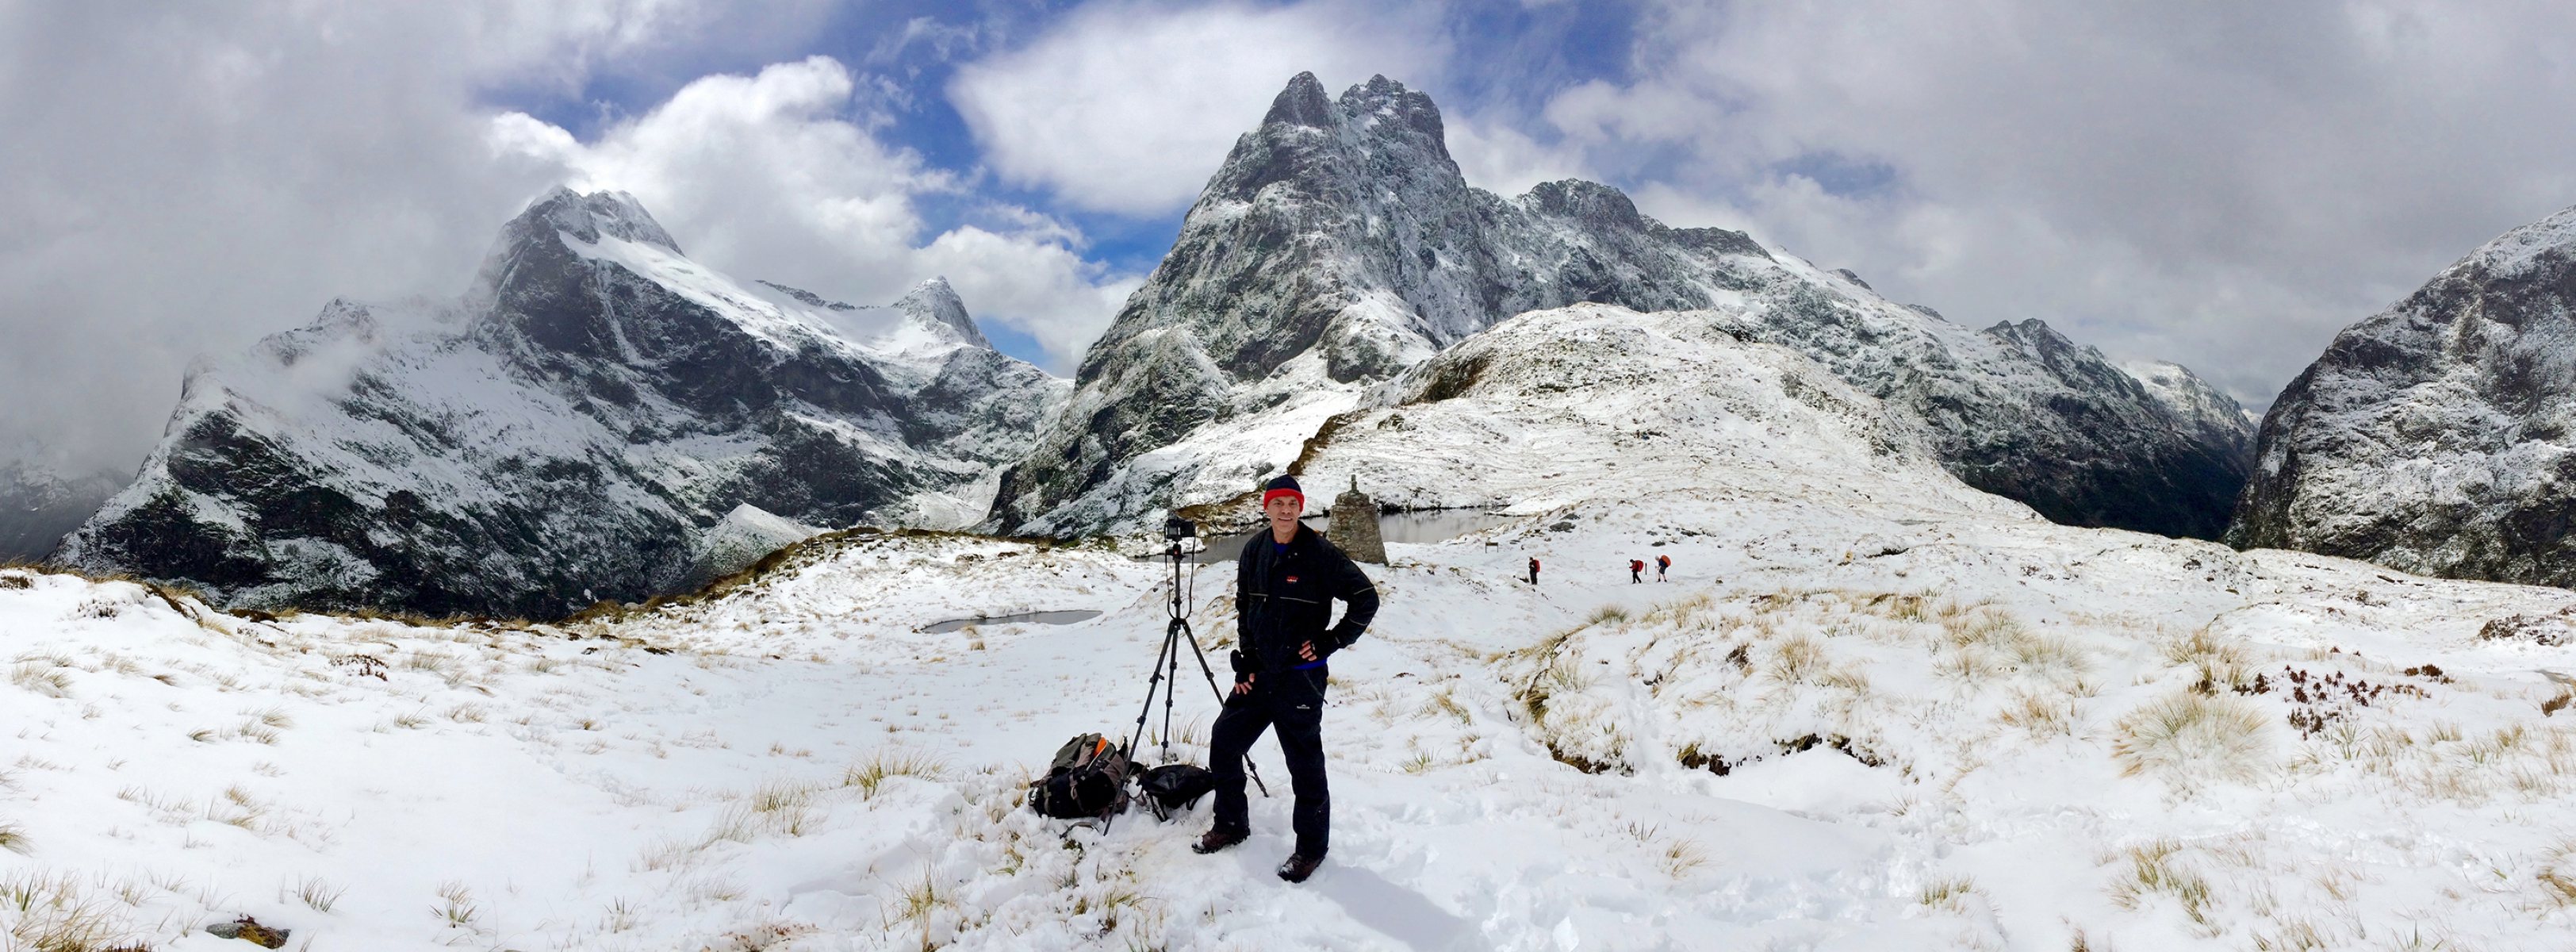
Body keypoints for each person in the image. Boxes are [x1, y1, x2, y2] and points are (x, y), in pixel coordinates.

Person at [1197, 475, 1379, 884]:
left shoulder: (1319, 553)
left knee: (1305, 767)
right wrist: (1244, 662)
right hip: (1259, 675)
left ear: (1300, 508)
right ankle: (1231, 824)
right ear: (1267, 507)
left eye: (1291, 503)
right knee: (1225, 742)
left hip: (1300, 680)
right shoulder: (1254, 550)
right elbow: (1245, 608)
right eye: (1277, 503)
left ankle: (1311, 850)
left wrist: (1332, 641)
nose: (1284, 510)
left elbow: (1366, 598)